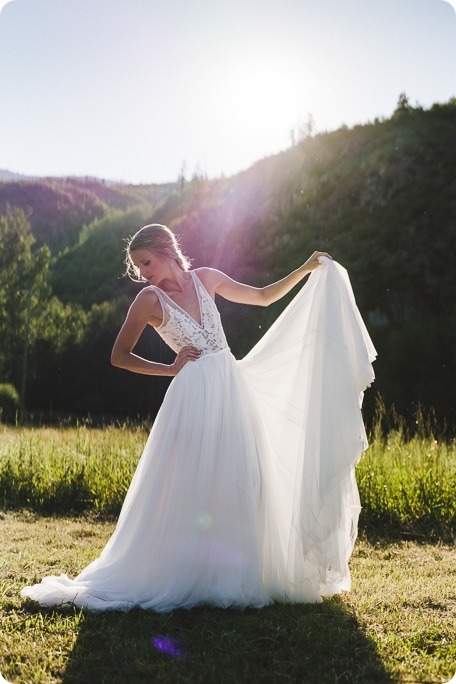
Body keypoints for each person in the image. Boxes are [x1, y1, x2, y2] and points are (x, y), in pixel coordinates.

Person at [21, 224, 376, 612]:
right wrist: (169, 369)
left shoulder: (206, 278)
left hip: (232, 387)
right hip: (192, 395)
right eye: (137, 266)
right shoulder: (148, 299)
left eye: (146, 262)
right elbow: (119, 355)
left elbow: (260, 297)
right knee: (192, 479)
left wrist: (305, 269)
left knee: (242, 476)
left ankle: (235, 571)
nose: (143, 272)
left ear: (165, 249)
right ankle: (187, 569)